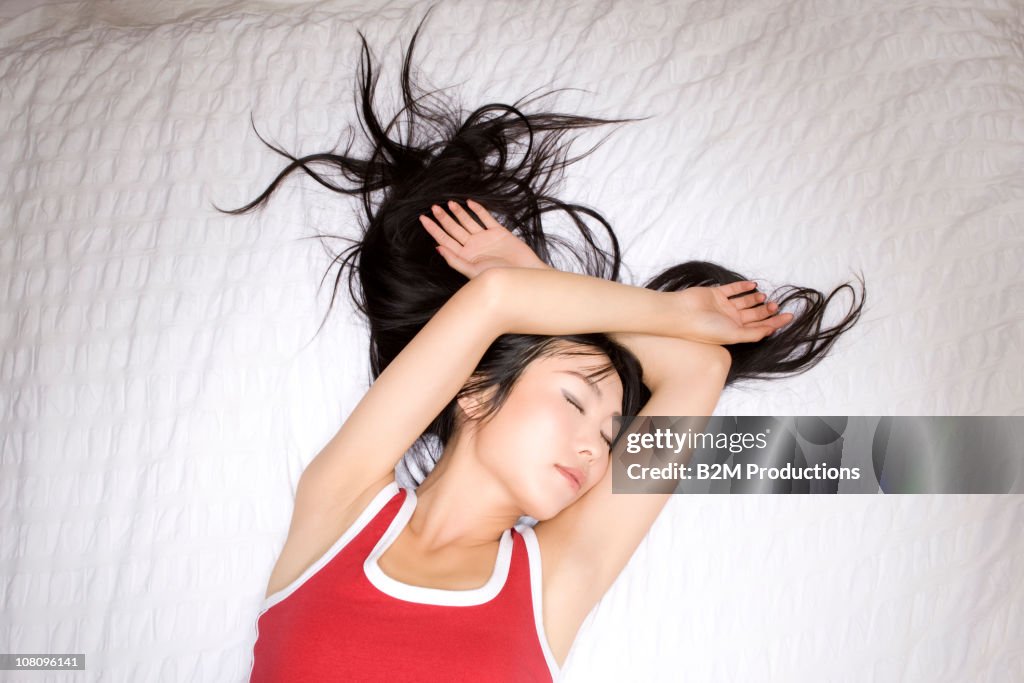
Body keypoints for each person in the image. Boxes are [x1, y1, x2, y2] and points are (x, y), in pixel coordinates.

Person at [217, 10, 865, 681]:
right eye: (574, 400)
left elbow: (700, 367)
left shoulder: (551, 579)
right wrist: (645, 306)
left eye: (612, 432)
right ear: (472, 391)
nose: (596, 446)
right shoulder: (341, 509)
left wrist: (534, 281)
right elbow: (493, 302)